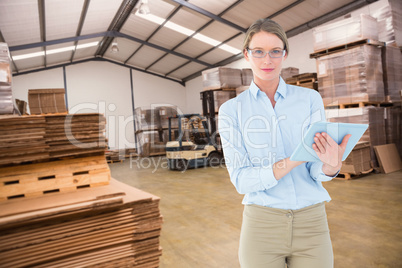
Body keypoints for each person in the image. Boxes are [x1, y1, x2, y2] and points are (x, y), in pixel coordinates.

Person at [218, 18, 351, 268]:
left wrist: (331, 166)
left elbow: (314, 169)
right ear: (247, 55)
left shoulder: (310, 99)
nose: (267, 60)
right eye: (258, 52)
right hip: (261, 226)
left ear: (284, 54)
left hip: (312, 223)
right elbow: (241, 180)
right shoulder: (231, 111)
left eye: (275, 52)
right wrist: (291, 162)